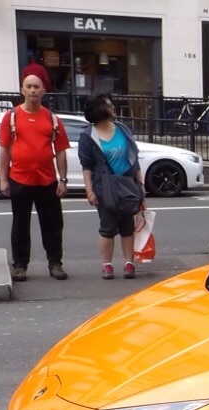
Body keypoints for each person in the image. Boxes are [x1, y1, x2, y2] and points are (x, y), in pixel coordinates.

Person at [0, 74, 70, 282]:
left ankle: (55, 263)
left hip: (47, 181)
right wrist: (3, 179)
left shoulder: (52, 119)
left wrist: (62, 180)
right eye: (28, 86)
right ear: (22, 90)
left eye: (36, 87)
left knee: (53, 225)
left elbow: (61, 150)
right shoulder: (11, 117)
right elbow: (4, 150)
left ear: (43, 91)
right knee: (20, 225)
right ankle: (20, 266)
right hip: (20, 179)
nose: (32, 91)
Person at [80, 94, 145, 280]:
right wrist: (89, 190)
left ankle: (129, 263)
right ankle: (107, 265)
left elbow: (133, 159)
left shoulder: (123, 129)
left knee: (127, 226)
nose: (113, 107)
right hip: (104, 186)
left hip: (127, 183)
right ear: (99, 110)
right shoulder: (88, 136)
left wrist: (140, 185)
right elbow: (87, 166)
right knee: (107, 226)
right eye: (109, 105)